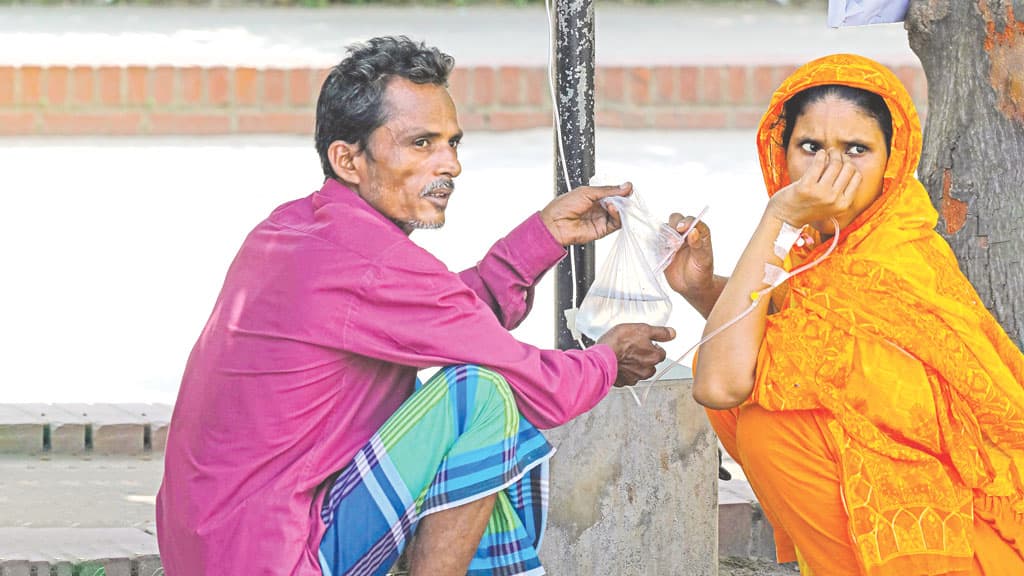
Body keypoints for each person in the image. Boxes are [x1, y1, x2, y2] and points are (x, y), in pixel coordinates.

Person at [155, 36, 675, 576]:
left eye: (453, 142)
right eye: (422, 143)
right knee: (482, 396)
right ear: (348, 159)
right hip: (277, 557)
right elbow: (542, 387)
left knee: (473, 398)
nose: (449, 164)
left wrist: (542, 236)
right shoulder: (372, 262)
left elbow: (445, 317)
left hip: (210, 548)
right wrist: (611, 358)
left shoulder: (295, 227)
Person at [665, 54, 1024, 575]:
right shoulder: (817, 253)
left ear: (892, 163)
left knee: (771, 430)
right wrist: (702, 289)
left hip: (963, 550)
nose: (828, 171)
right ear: (779, 155)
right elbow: (781, 322)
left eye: (856, 150)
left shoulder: (892, 261)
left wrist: (778, 216)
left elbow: (721, 384)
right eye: (810, 147)